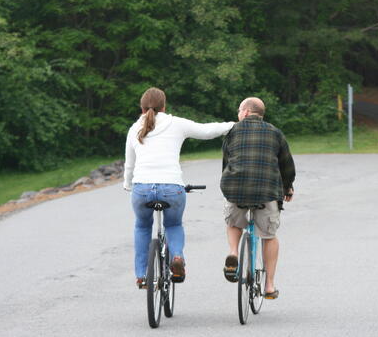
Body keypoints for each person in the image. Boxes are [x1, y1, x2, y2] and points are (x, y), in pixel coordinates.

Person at [124, 87, 234, 289]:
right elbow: (207, 131)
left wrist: (127, 185)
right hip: (171, 187)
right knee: (173, 225)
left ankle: (141, 275)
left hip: (142, 188)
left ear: (141, 107)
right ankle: (177, 257)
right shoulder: (176, 124)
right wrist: (233, 125)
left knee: (142, 226)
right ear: (164, 106)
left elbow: (129, 164)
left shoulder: (134, 129)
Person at [220, 97, 296, 300]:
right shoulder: (275, 132)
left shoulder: (232, 131)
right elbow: (287, 165)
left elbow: (226, 163)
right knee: (269, 235)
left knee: (234, 223)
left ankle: (234, 253)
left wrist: (228, 188)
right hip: (267, 190)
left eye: (238, 110)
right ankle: (270, 286)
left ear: (245, 112)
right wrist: (287, 187)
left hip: (235, 188)